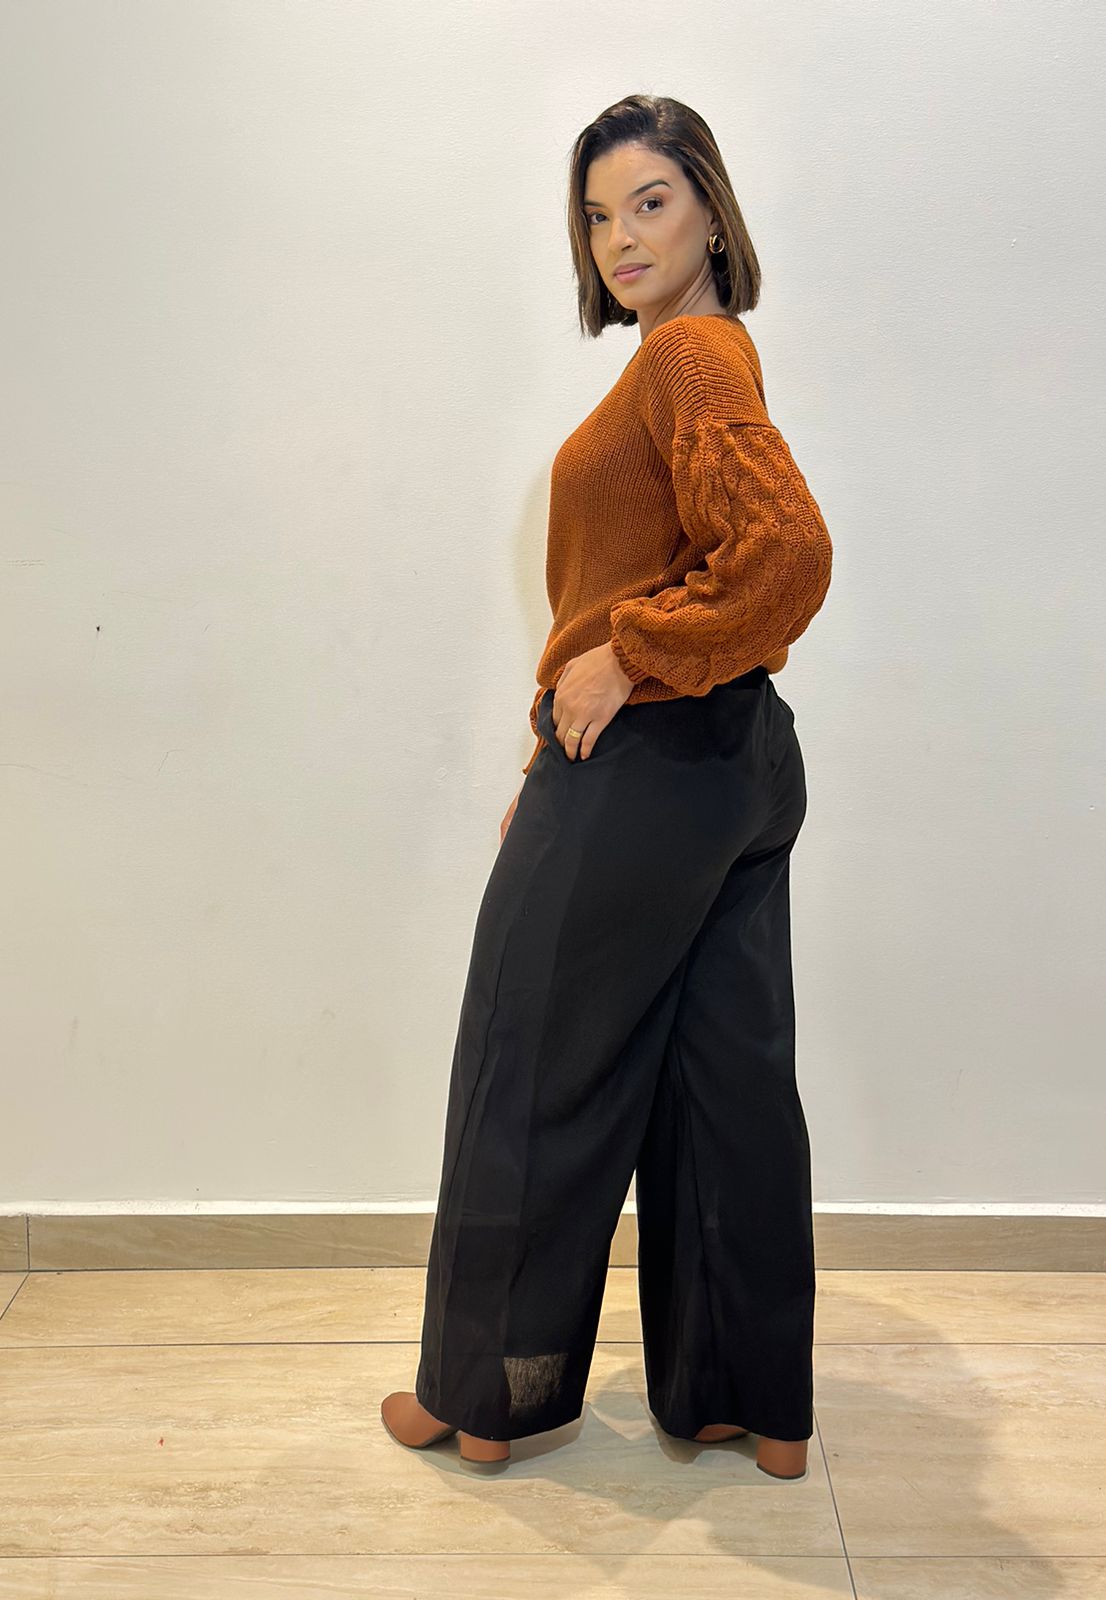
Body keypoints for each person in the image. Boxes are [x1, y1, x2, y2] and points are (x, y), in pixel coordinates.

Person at [381, 93, 833, 1480]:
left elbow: (784, 554)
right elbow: (690, 570)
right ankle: (749, 1400)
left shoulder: (689, 353)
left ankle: (489, 1399)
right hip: (736, 765)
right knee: (726, 1082)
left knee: (526, 1062)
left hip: (650, 764)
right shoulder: (704, 356)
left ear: (711, 211)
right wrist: (564, 728)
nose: (621, 236)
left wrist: (627, 655)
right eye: (596, 215)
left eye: (651, 201)